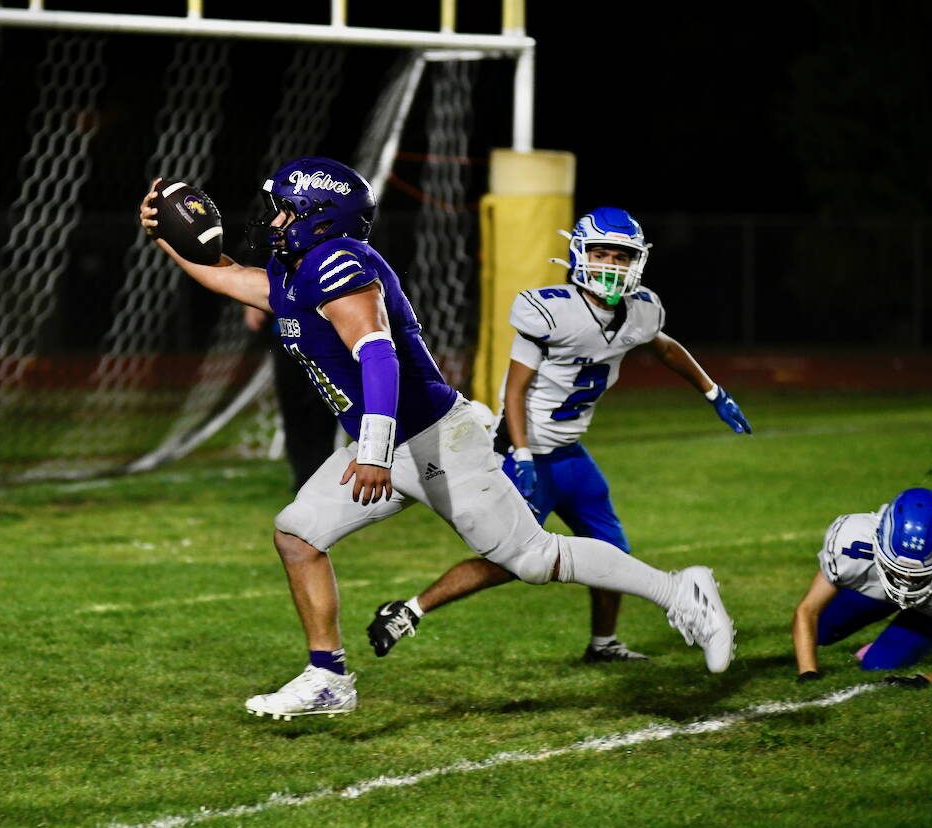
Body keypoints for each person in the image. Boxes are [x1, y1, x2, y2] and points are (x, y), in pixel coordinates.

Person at [138, 159, 735, 721]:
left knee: (533, 559)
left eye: (282, 209)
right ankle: (329, 678)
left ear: (317, 217)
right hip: (387, 443)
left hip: (434, 441)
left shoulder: (337, 262)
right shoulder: (298, 271)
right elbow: (221, 273)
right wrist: (169, 231)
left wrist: (372, 450)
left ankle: (682, 591)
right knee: (297, 535)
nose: (269, 219)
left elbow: (378, 353)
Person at [367, 207, 753, 664]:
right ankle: (408, 611)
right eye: (601, 253)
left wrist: (712, 391)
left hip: (570, 454)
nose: (610, 265)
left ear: (638, 261)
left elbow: (664, 346)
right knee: (512, 560)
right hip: (523, 451)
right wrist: (524, 456)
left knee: (613, 555)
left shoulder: (641, 311)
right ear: (578, 254)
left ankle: (603, 644)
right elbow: (515, 389)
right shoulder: (551, 310)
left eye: (621, 256)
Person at [792, 486, 932, 682]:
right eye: (897, 569)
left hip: (927, 610)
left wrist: (925, 680)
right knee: (820, 631)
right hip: (876, 590)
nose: (906, 579)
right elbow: (808, 609)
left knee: (878, 665)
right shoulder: (853, 541)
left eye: (915, 574)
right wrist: (808, 672)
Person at [243, 304, 341, 490]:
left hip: (324, 331)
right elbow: (266, 277)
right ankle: (303, 479)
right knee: (291, 405)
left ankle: (323, 475)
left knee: (323, 403)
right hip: (284, 332)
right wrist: (249, 303)